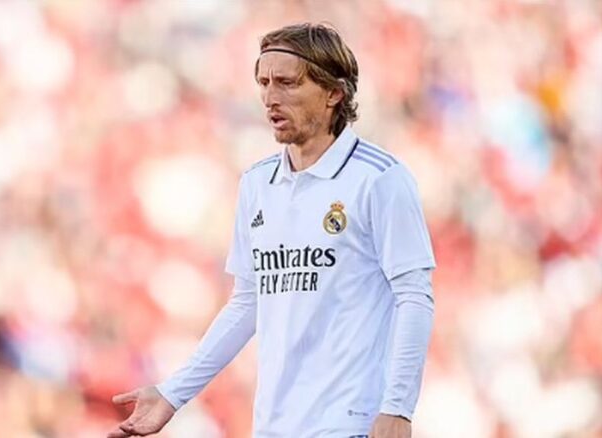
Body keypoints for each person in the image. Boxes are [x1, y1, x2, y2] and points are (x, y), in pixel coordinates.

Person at [108, 23, 436, 438]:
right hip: (273, 426)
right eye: (263, 82)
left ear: (334, 93)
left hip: (350, 423)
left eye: (287, 83)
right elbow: (248, 302)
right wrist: (173, 394)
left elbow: (414, 295)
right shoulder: (258, 184)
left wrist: (398, 408)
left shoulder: (380, 178)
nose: (270, 98)